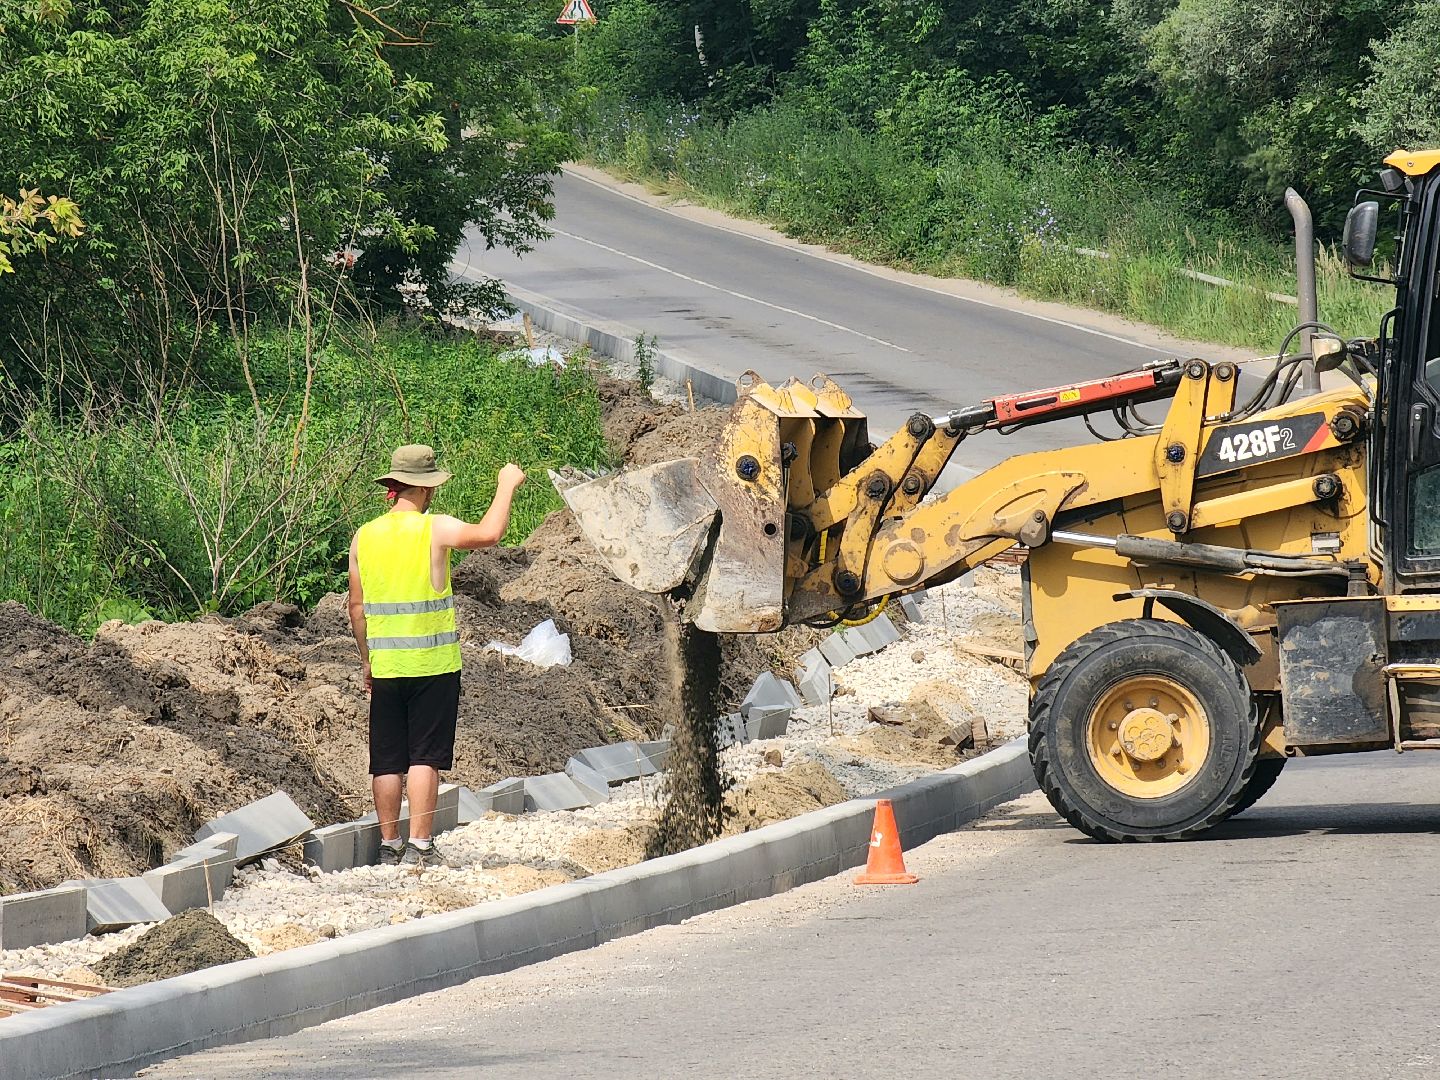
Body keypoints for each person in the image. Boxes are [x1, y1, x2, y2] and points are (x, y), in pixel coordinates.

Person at [348, 444, 526, 867]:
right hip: (433, 665)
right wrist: (506, 485)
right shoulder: (435, 528)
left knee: (387, 757)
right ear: (426, 489)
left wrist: (367, 659)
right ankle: (421, 845)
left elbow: (356, 607)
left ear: (393, 485)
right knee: (425, 755)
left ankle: (390, 844)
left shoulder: (364, 535)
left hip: (387, 665)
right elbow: (490, 534)